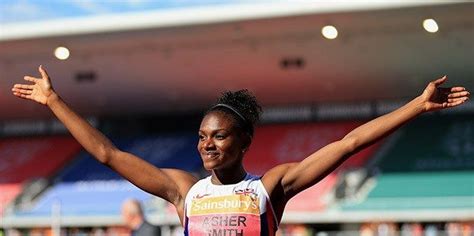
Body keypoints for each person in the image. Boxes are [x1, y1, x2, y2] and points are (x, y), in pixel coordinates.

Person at [12, 66, 469, 235]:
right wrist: (54, 101)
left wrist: (414, 106)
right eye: (201, 135)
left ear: (245, 141)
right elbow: (108, 154)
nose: (206, 145)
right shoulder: (183, 191)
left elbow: (348, 144)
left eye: (219, 136)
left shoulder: (271, 188)